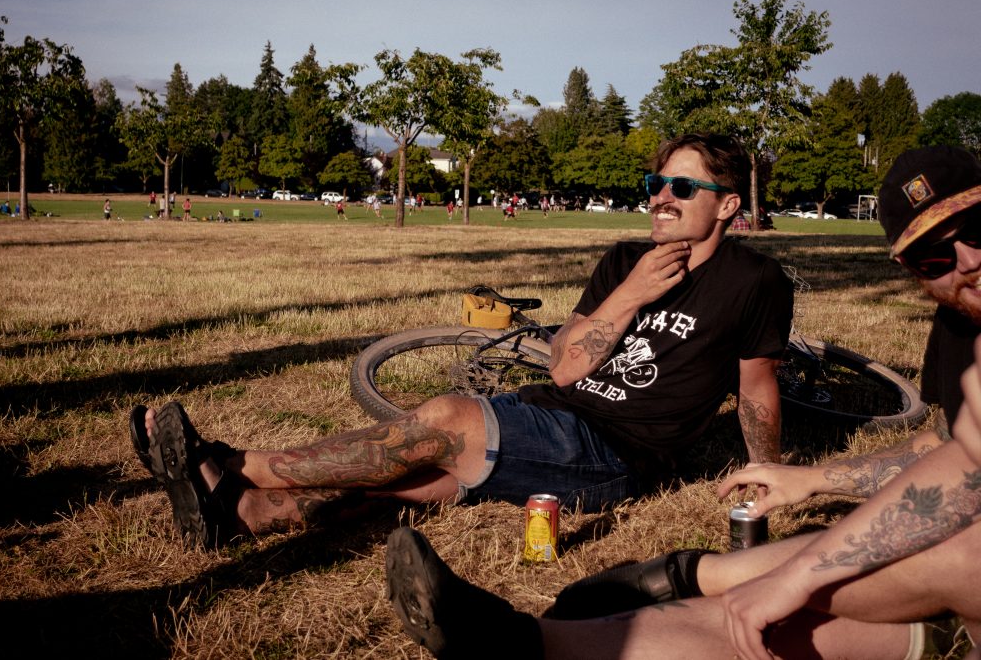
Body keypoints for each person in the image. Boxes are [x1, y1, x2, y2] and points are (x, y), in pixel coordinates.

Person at [384, 144, 981, 660]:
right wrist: (813, 480)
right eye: (933, 256)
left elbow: (961, 498)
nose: (968, 261)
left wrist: (789, 572)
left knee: (815, 588)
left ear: (726, 204)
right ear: (907, 267)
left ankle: (689, 575)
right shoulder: (957, 329)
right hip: (952, 586)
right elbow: (957, 455)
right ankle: (525, 642)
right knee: (750, 615)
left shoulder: (750, 281)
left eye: (977, 230)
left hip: (963, 563)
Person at [130, 133, 792, 550]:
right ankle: (247, 514)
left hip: (618, 455)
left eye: (682, 187)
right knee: (409, 482)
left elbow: (756, 389)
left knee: (445, 419)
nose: (661, 199)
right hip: (553, 413)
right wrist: (632, 293)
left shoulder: (753, 280)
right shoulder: (625, 261)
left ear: (729, 204)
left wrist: (769, 474)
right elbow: (564, 368)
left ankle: (235, 461)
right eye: (656, 185)